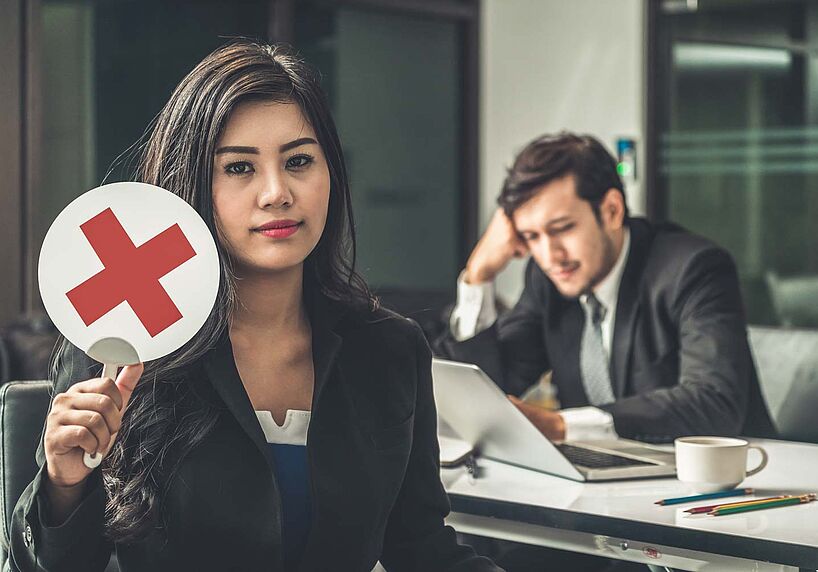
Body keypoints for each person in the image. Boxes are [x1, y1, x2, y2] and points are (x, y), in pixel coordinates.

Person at [9, 41, 501, 572]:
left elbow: (422, 548)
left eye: (298, 161)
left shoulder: (388, 348)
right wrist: (63, 483)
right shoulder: (121, 342)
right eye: (239, 168)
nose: (276, 192)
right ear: (194, 185)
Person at [437, 132, 775, 445]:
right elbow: (490, 390)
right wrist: (478, 277)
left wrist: (562, 427)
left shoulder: (692, 268)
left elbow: (714, 402)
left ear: (611, 210)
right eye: (531, 237)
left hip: (739, 485)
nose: (549, 255)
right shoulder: (548, 280)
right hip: (607, 483)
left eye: (563, 228)